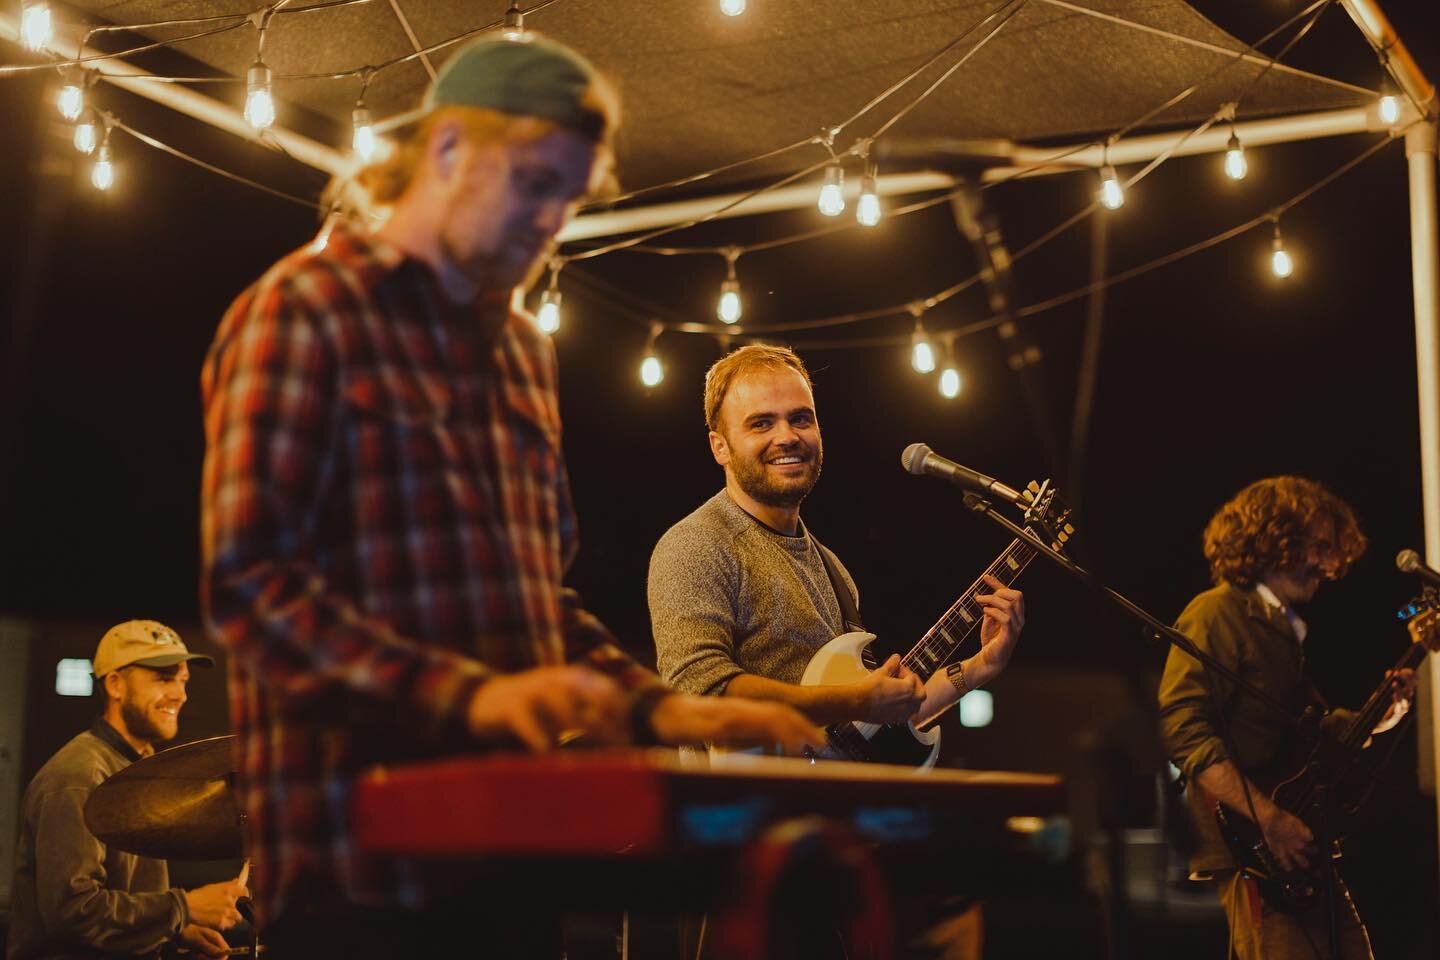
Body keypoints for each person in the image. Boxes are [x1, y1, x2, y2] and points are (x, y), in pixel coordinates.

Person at [199, 33, 820, 956]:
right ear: (447, 151)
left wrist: (661, 710)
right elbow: (249, 584)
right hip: (356, 872)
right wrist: (473, 698)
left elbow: (537, 606)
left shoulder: (529, 356)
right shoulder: (303, 309)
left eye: (566, 199)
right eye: (534, 186)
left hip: (514, 860)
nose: (549, 221)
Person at [647, 344, 1025, 959]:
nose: (787, 436)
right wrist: (857, 698)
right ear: (720, 446)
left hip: (825, 859)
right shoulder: (695, 546)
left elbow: (866, 725)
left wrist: (980, 667)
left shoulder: (834, 571)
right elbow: (701, 689)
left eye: (801, 417)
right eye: (761, 423)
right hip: (738, 861)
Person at [1157, 476, 1414, 960]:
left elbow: (1313, 737)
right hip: (1253, 848)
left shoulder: (1284, 627)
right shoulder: (1217, 612)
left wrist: (1388, 708)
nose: (1327, 563)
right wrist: (1269, 820)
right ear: (1272, 537)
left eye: (1331, 550)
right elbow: (1183, 728)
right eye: (1317, 546)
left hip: (1297, 839)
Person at [7, 620, 246, 960]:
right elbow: (72, 913)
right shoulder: (78, 776)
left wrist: (175, 932)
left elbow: (122, 903)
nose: (181, 694)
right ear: (116, 684)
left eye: (183, 680)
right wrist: (181, 907)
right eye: (164, 678)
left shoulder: (140, 766)